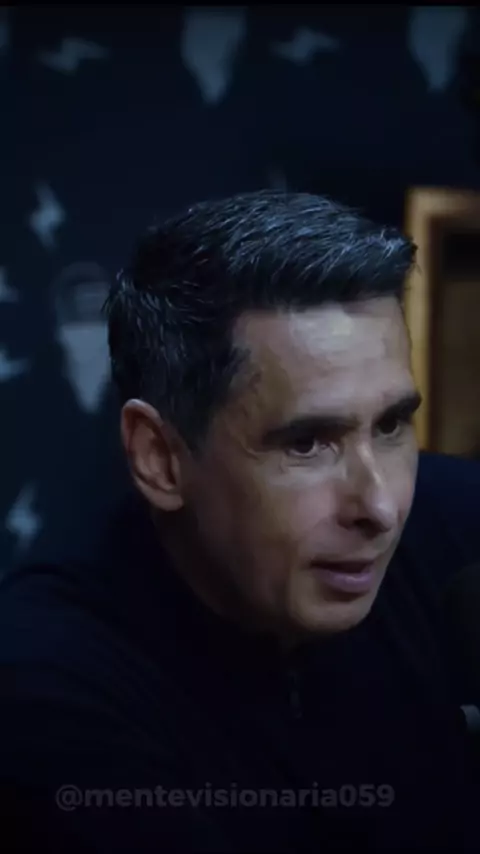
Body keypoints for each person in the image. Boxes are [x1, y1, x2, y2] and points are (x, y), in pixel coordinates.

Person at [1, 190, 480, 852]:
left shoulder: (456, 531)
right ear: (160, 458)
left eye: (392, 425)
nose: (381, 506)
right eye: (306, 444)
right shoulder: (49, 688)